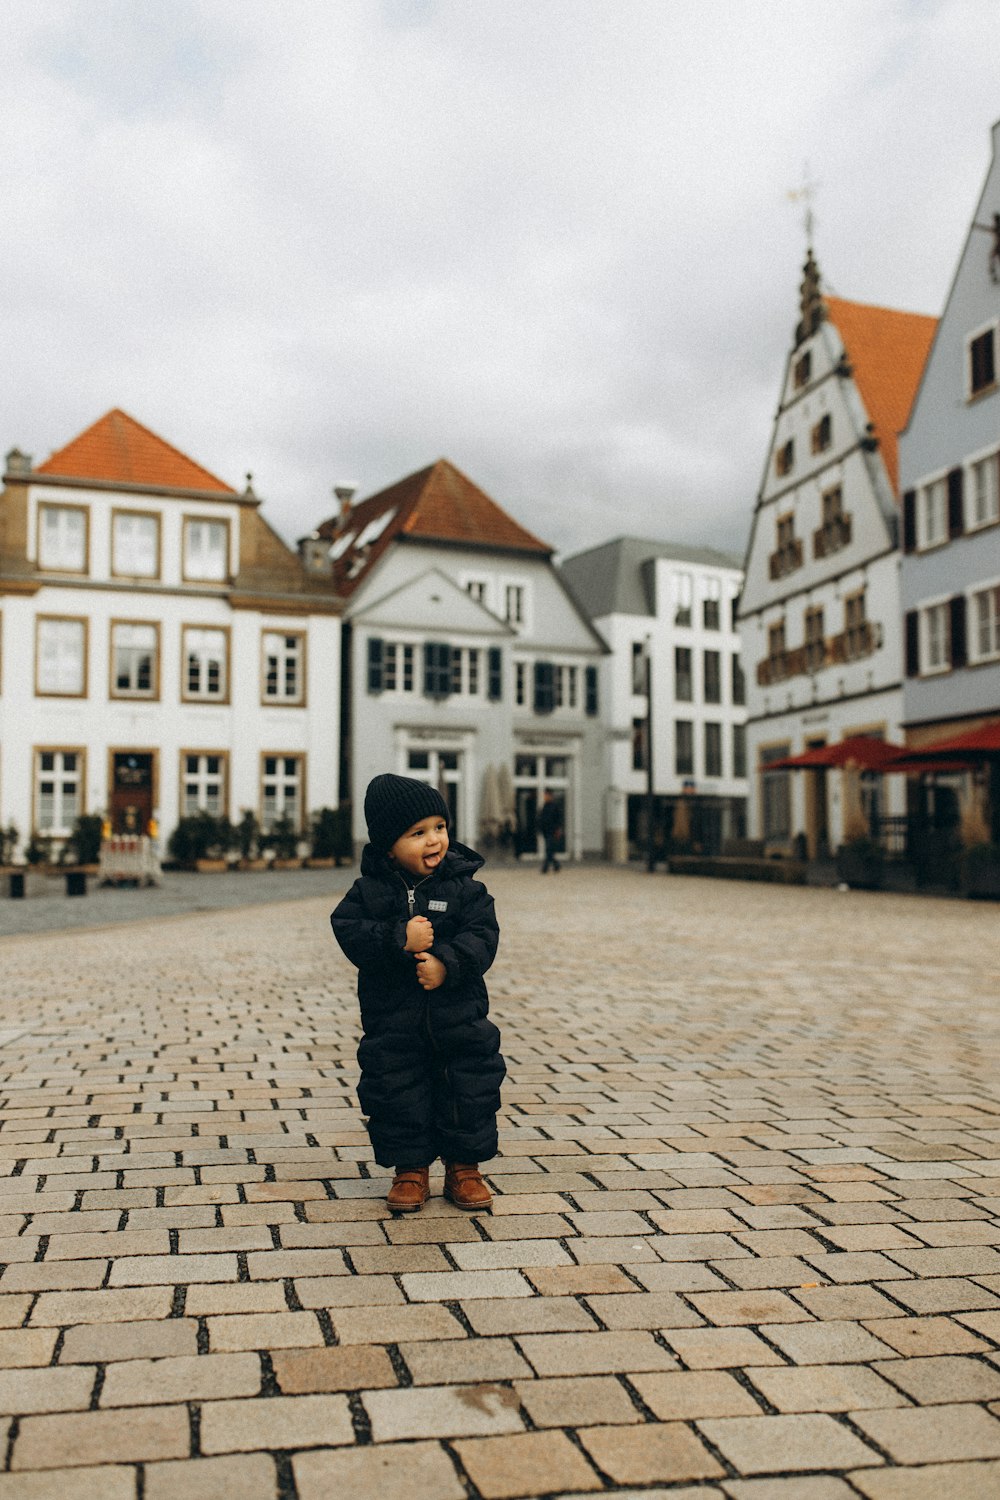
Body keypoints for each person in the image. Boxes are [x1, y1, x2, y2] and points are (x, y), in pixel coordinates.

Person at [331, 774, 505, 1212]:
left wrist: (447, 963)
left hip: (460, 1018)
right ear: (389, 846)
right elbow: (349, 930)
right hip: (393, 1021)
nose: (434, 840)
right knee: (397, 1089)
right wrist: (398, 939)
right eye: (418, 833)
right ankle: (410, 1170)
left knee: (467, 1086)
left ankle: (464, 1168)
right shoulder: (368, 892)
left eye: (440, 828)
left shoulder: (467, 888)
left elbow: (483, 935)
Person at [536, 790, 562, 873]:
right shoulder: (544, 806)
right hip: (545, 831)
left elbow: (558, 819)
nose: (545, 797)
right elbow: (541, 819)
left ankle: (545, 867)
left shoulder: (555, 806)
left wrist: (558, 830)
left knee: (549, 849)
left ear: (550, 796)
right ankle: (556, 865)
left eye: (546, 795)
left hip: (552, 831)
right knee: (549, 850)